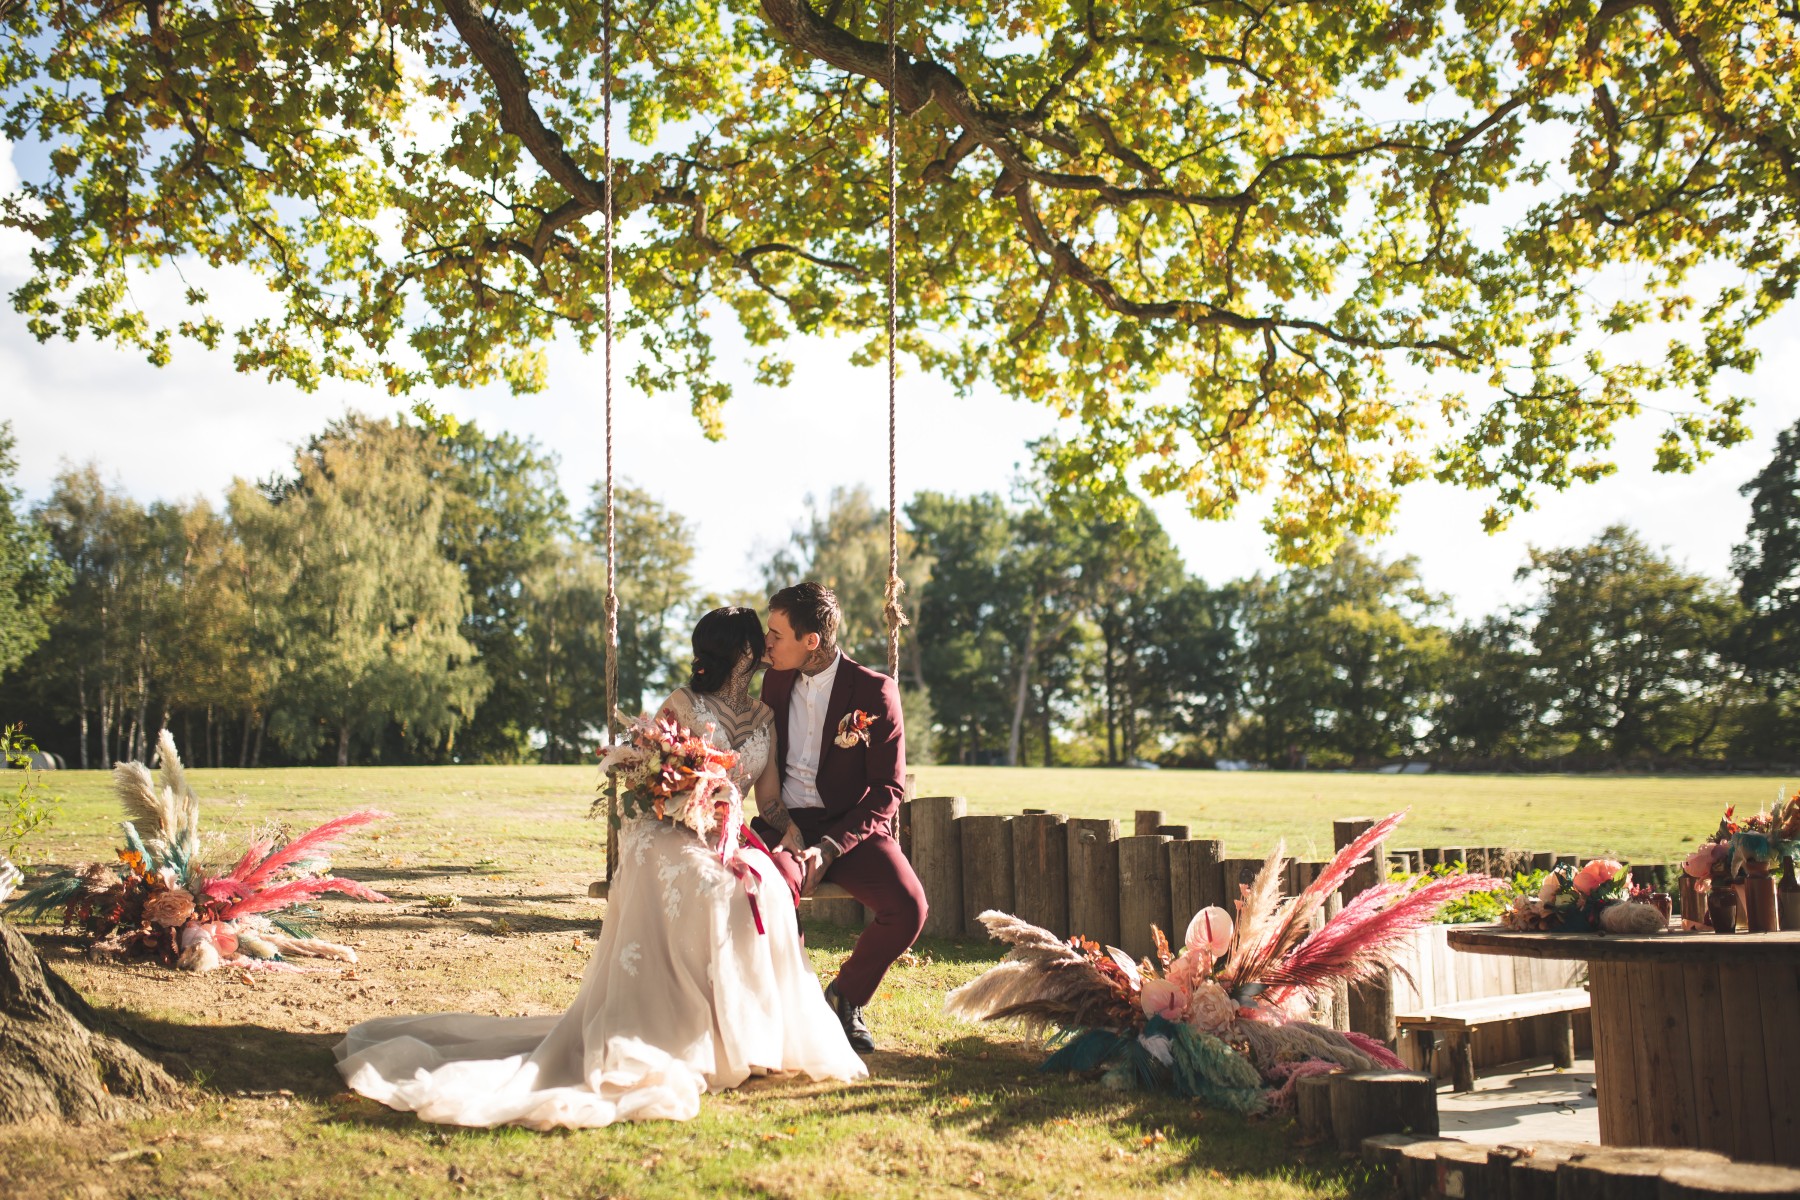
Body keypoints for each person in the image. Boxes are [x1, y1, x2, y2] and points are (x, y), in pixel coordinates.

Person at [333, 607, 866, 1130]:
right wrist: (677, 792)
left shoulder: (763, 717)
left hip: (725, 837)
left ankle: (745, 1033)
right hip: (671, 834)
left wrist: (800, 844)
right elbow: (642, 772)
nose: (769, 648)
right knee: (706, 887)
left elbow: (768, 802)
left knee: (763, 884)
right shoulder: (683, 703)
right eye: (761, 640)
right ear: (744, 652)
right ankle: (685, 1029)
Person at [754, 582, 927, 1053]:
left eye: (776, 634)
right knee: (770, 891)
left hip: (850, 827)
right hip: (783, 823)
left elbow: (888, 789)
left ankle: (845, 997)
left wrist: (831, 847)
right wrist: (789, 833)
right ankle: (792, 1004)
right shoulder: (773, 680)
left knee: (909, 907)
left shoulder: (875, 691)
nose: (766, 643)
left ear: (811, 641)